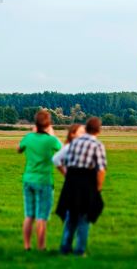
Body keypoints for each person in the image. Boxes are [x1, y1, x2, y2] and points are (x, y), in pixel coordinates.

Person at [55, 117, 107, 257]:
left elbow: (57, 160)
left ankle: (65, 248)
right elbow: (101, 169)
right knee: (84, 218)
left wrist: (66, 174)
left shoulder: (74, 143)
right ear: (98, 130)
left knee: (71, 216)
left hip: (71, 183)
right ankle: (79, 250)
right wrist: (98, 187)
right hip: (87, 184)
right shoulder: (97, 145)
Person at [18, 110, 62, 251]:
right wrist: (52, 135)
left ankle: (26, 246)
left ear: (35, 123)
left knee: (29, 215)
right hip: (44, 181)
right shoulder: (51, 140)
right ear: (49, 123)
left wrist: (32, 134)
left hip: (28, 179)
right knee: (41, 217)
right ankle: (41, 247)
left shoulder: (28, 137)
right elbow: (63, 150)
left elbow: (18, 149)